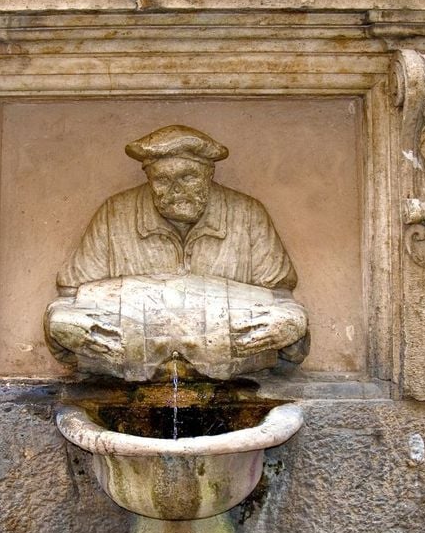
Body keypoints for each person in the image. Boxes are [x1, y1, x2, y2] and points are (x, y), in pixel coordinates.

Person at [46, 125, 308, 378]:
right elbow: (71, 299)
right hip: (130, 378)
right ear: (149, 179)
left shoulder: (247, 215)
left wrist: (291, 325)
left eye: (188, 177)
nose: (176, 190)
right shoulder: (115, 214)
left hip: (234, 379)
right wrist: (60, 324)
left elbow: (281, 300)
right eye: (162, 179)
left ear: (209, 175)